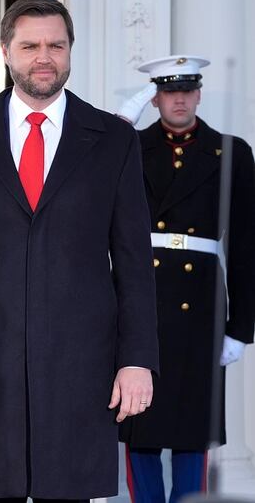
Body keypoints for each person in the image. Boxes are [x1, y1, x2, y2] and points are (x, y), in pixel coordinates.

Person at [0, 0, 159, 502]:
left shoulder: (114, 142)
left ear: (70, 51)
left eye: (56, 45)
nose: (44, 57)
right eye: (30, 45)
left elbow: (133, 262)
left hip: (82, 366)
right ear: (6, 51)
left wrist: (137, 359)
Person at [116, 55, 255, 503]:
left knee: (193, 430)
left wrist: (240, 327)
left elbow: (247, 244)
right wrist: (121, 126)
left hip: (201, 307)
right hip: (142, 301)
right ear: (155, 98)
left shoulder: (231, 152)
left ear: (198, 94)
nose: (179, 99)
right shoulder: (130, 148)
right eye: (169, 91)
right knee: (142, 427)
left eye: (187, 90)